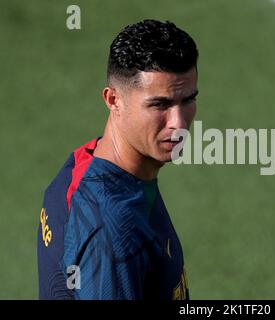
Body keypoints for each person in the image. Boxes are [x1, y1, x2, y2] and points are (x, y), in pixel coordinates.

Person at [37, 19, 198, 300]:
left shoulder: (86, 161)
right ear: (113, 100)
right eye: (159, 104)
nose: (178, 122)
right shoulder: (111, 234)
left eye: (187, 101)